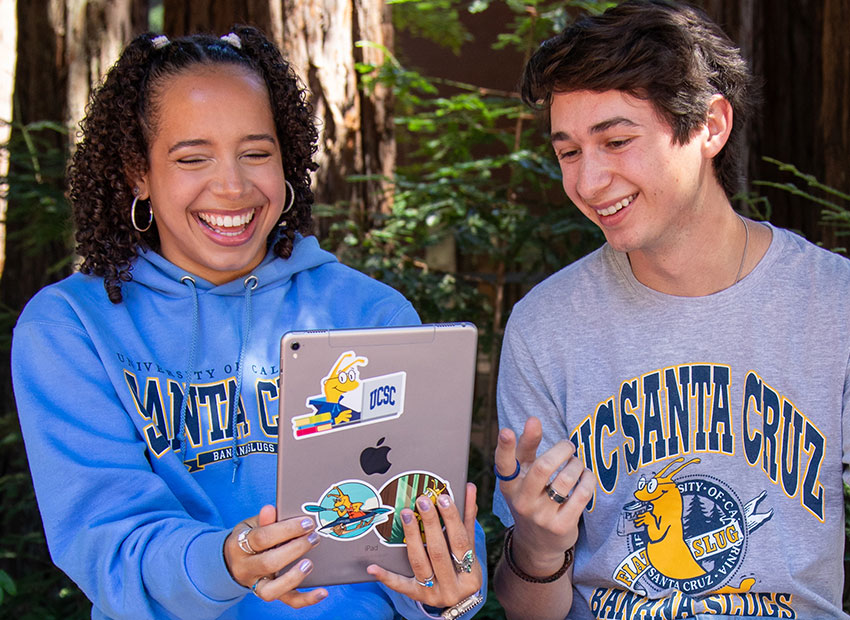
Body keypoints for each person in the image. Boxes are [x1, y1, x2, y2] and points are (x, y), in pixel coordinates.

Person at [11, 26, 485, 620]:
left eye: (256, 153)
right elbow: (108, 543)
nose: (233, 187)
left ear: (285, 160)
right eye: (192, 158)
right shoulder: (72, 328)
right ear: (138, 171)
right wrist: (227, 563)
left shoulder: (370, 314)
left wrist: (451, 584)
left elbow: (419, 520)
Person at [491, 1, 849, 618]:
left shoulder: (832, 303)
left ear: (710, 126)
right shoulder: (545, 327)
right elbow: (530, 609)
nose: (589, 182)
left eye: (617, 141)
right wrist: (539, 546)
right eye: (569, 152)